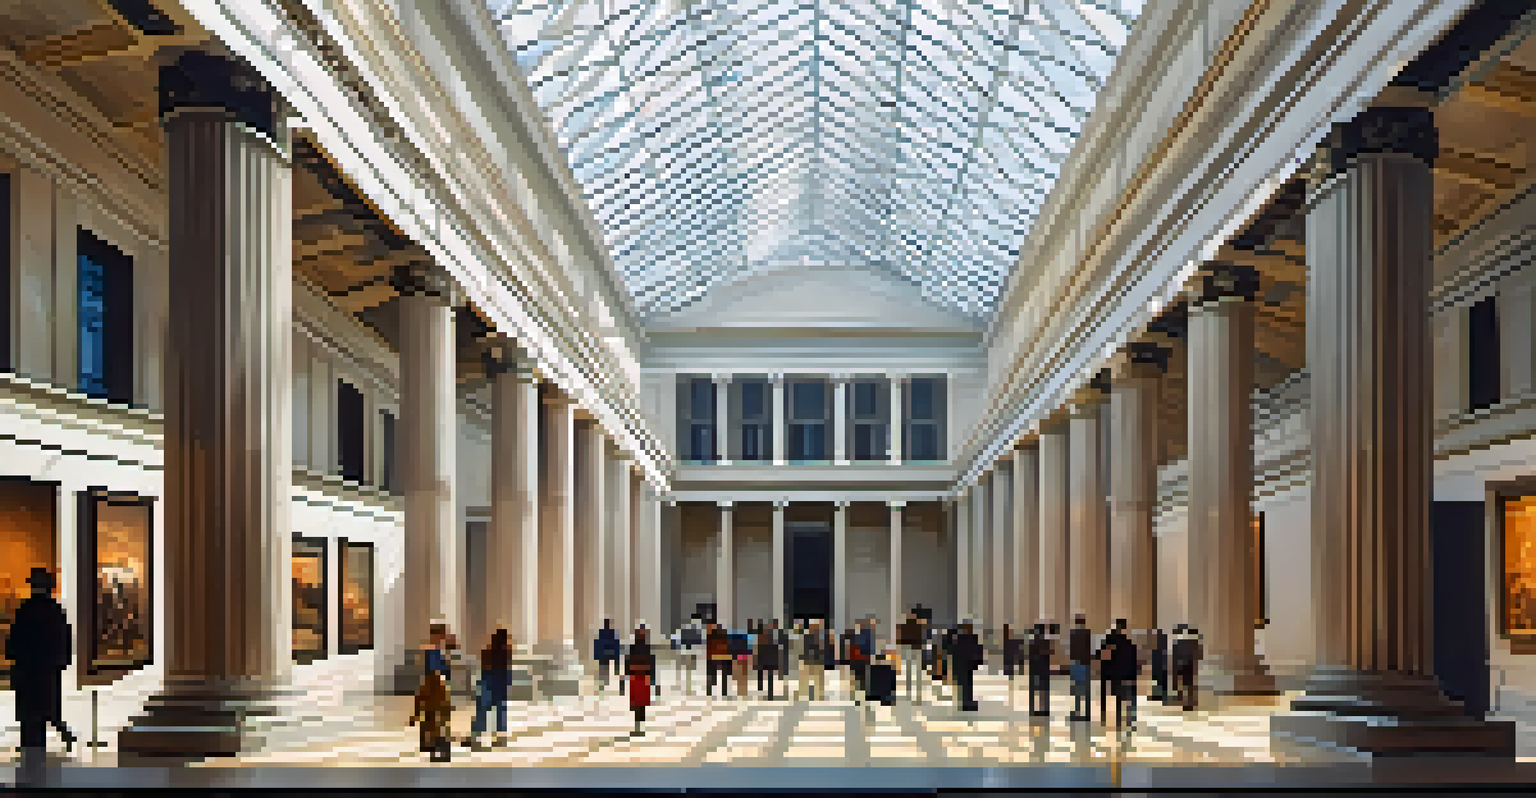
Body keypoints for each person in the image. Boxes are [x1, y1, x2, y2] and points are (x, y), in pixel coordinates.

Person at [5, 567, 76, 766]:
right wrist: (59, 663)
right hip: (47, 671)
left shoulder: (25, 610)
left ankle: (32, 756)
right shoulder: (54, 610)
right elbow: (64, 641)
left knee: (29, 717)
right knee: (47, 710)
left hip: (27, 671)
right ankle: (53, 738)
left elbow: (13, 644)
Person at [470, 627, 513, 748]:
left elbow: (484, 668)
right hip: (500, 685)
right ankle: (499, 739)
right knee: (500, 713)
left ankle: (477, 737)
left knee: (482, 712)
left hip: (488, 683)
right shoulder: (506, 652)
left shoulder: (488, 651)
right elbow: (507, 671)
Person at [1098, 619, 1139, 728]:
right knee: (1128, 698)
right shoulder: (1129, 643)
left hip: (1113, 674)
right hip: (1126, 674)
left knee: (1119, 699)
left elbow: (1102, 656)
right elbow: (1134, 661)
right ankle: (1130, 721)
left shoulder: (1110, 641)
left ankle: (1116, 721)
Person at [627, 625, 655, 736]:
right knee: (638, 704)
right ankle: (639, 727)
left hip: (640, 678)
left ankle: (639, 727)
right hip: (640, 678)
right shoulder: (637, 648)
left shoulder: (639, 648)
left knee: (640, 704)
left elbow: (651, 664)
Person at [951, 620, 982, 711]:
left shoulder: (961, 638)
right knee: (965, 684)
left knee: (967, 684)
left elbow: (954, 651)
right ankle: (966, 703)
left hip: (967, 664)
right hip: (966, 664)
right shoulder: (964, 638)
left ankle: (967, 702)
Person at [1068, 614, 1092, 722]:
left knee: (1077, 689)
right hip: (1085, 663)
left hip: (1076, 663)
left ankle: (1077, 711)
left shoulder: (1073, 633)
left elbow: (1072, 650)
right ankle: (1087, 712)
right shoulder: (1087, 633)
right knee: (1086, 689)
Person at [1172, 625, 1203, 711]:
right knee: (1188, 685)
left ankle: (1187, 701)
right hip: (1188, 665)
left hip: (1184, 665)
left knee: (1185, 685)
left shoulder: (1179, 643)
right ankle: (1189, 701)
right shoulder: (1193, 643)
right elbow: (1198, 655)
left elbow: (1175, 656)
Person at [1028, 621, 1053, 717]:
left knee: (1033, 690)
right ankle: (1045, 709)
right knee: (1044, 690)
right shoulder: (1046, 642)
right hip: (1044, 669)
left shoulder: (1032, 642)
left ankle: (1032, 708)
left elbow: (1030, 655)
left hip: (1034, 668)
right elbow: (1050, 653)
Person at [676, 614, 704, 694]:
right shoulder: (696, 631)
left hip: (687, 652)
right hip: (690, 652)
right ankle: (687, 686)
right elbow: (699, 642)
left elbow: (681, 640)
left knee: (687, 670)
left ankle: (686, 686)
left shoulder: (686, 629)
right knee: (689, 670)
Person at [898, 612, 923, 701]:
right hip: (914, 648)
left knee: (910, 671)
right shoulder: (918, 626)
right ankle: (916, 693)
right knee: (916, 672)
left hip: (910, 648)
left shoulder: (905, 626)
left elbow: (901, 637)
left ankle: (911, 692)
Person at [595, 619, 621, 695]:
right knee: (605, 668)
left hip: (604, 654)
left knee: (604, 668)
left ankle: (603, 685)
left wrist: (597, 654)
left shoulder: (602, 633)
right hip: (607, 653)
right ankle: (604, 684)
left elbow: (599, 643)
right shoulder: (611, 633)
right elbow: (614, 643)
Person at [756, 618, 781, 699]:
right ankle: (764, 690)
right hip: (768, 657)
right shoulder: (770, 636)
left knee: (766, 674)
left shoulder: (766, 636)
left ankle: (765, 690)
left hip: (768, 657)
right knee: (766, 674)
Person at [707, 622, 731, 698]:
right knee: (724, 676)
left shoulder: (710, 637)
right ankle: (724, 691)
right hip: (723, 657)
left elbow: (709, 648)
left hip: (713, 657)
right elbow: (727, 647)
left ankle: (710, 691)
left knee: (712, 675)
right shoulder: (725, 637)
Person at [1149, 626, 1170, 702]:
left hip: (1159, 664)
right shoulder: (1161, 647)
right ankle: (1160, 695)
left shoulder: (1159, 647)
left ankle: (1160, 695)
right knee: (1159, 680)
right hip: (1160, 664)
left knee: (1159, 680)